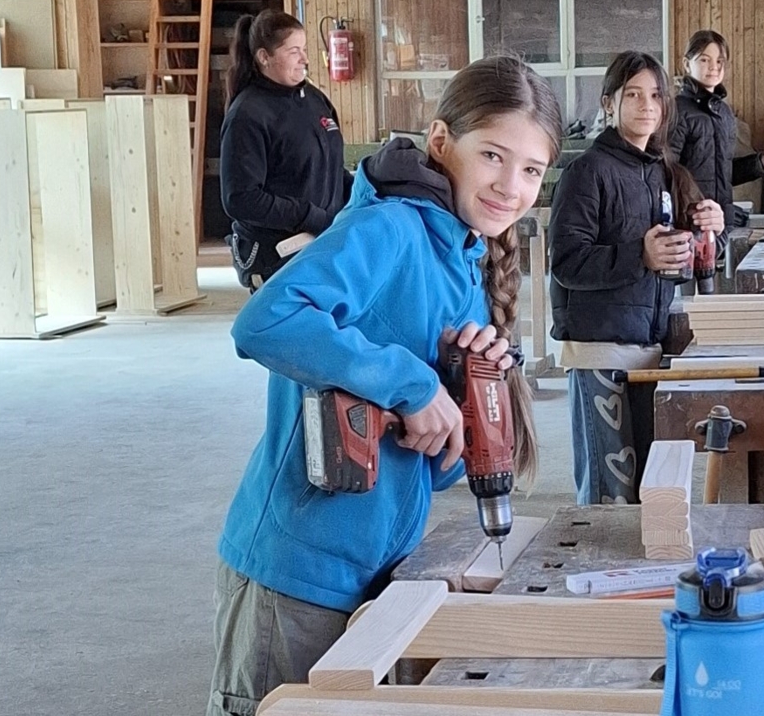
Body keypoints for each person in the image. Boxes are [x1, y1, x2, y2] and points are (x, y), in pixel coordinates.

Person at [206, 55, 562, 715]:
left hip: (380, 567)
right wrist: (412, 384)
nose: (510, 185)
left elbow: (436, 468)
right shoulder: (390, 228)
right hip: (298, 572)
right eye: (492, 155)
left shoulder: (465, 262)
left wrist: (456, 414)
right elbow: (264, 322)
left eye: (532, 169)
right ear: (439, 141)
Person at [549, 51, 724, 505]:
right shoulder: (587, 172)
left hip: (651, 347)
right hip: (601, 351)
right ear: (609, 103)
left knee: (649, 491)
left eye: (655, 96)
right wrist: (638, 256)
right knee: (611, 496)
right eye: (633, 95)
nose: (647, 106)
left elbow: (690, 258)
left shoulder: (664, 173)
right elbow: (567, 262)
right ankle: (599, 575)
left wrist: (709, 229)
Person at [220, 9, 353, 291]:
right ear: (264, 57)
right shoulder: (248, 114)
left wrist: (361, 194)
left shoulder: (315, 100)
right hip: (277, 255)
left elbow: (328, 168)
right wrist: (309, 215)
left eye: (304, 49)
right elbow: (241, 198)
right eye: (294, 51)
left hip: (323, 247)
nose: (305, 59)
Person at [670, 29, 764, 233]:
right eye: (704, 60)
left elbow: (725, 172)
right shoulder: (677, 112)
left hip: (721, 220)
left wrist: (762, 162)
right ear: (686, 64)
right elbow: (667, 173)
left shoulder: (724, 113)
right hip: (691, 222)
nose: (713, 67)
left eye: (719, 61)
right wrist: (687, 213)